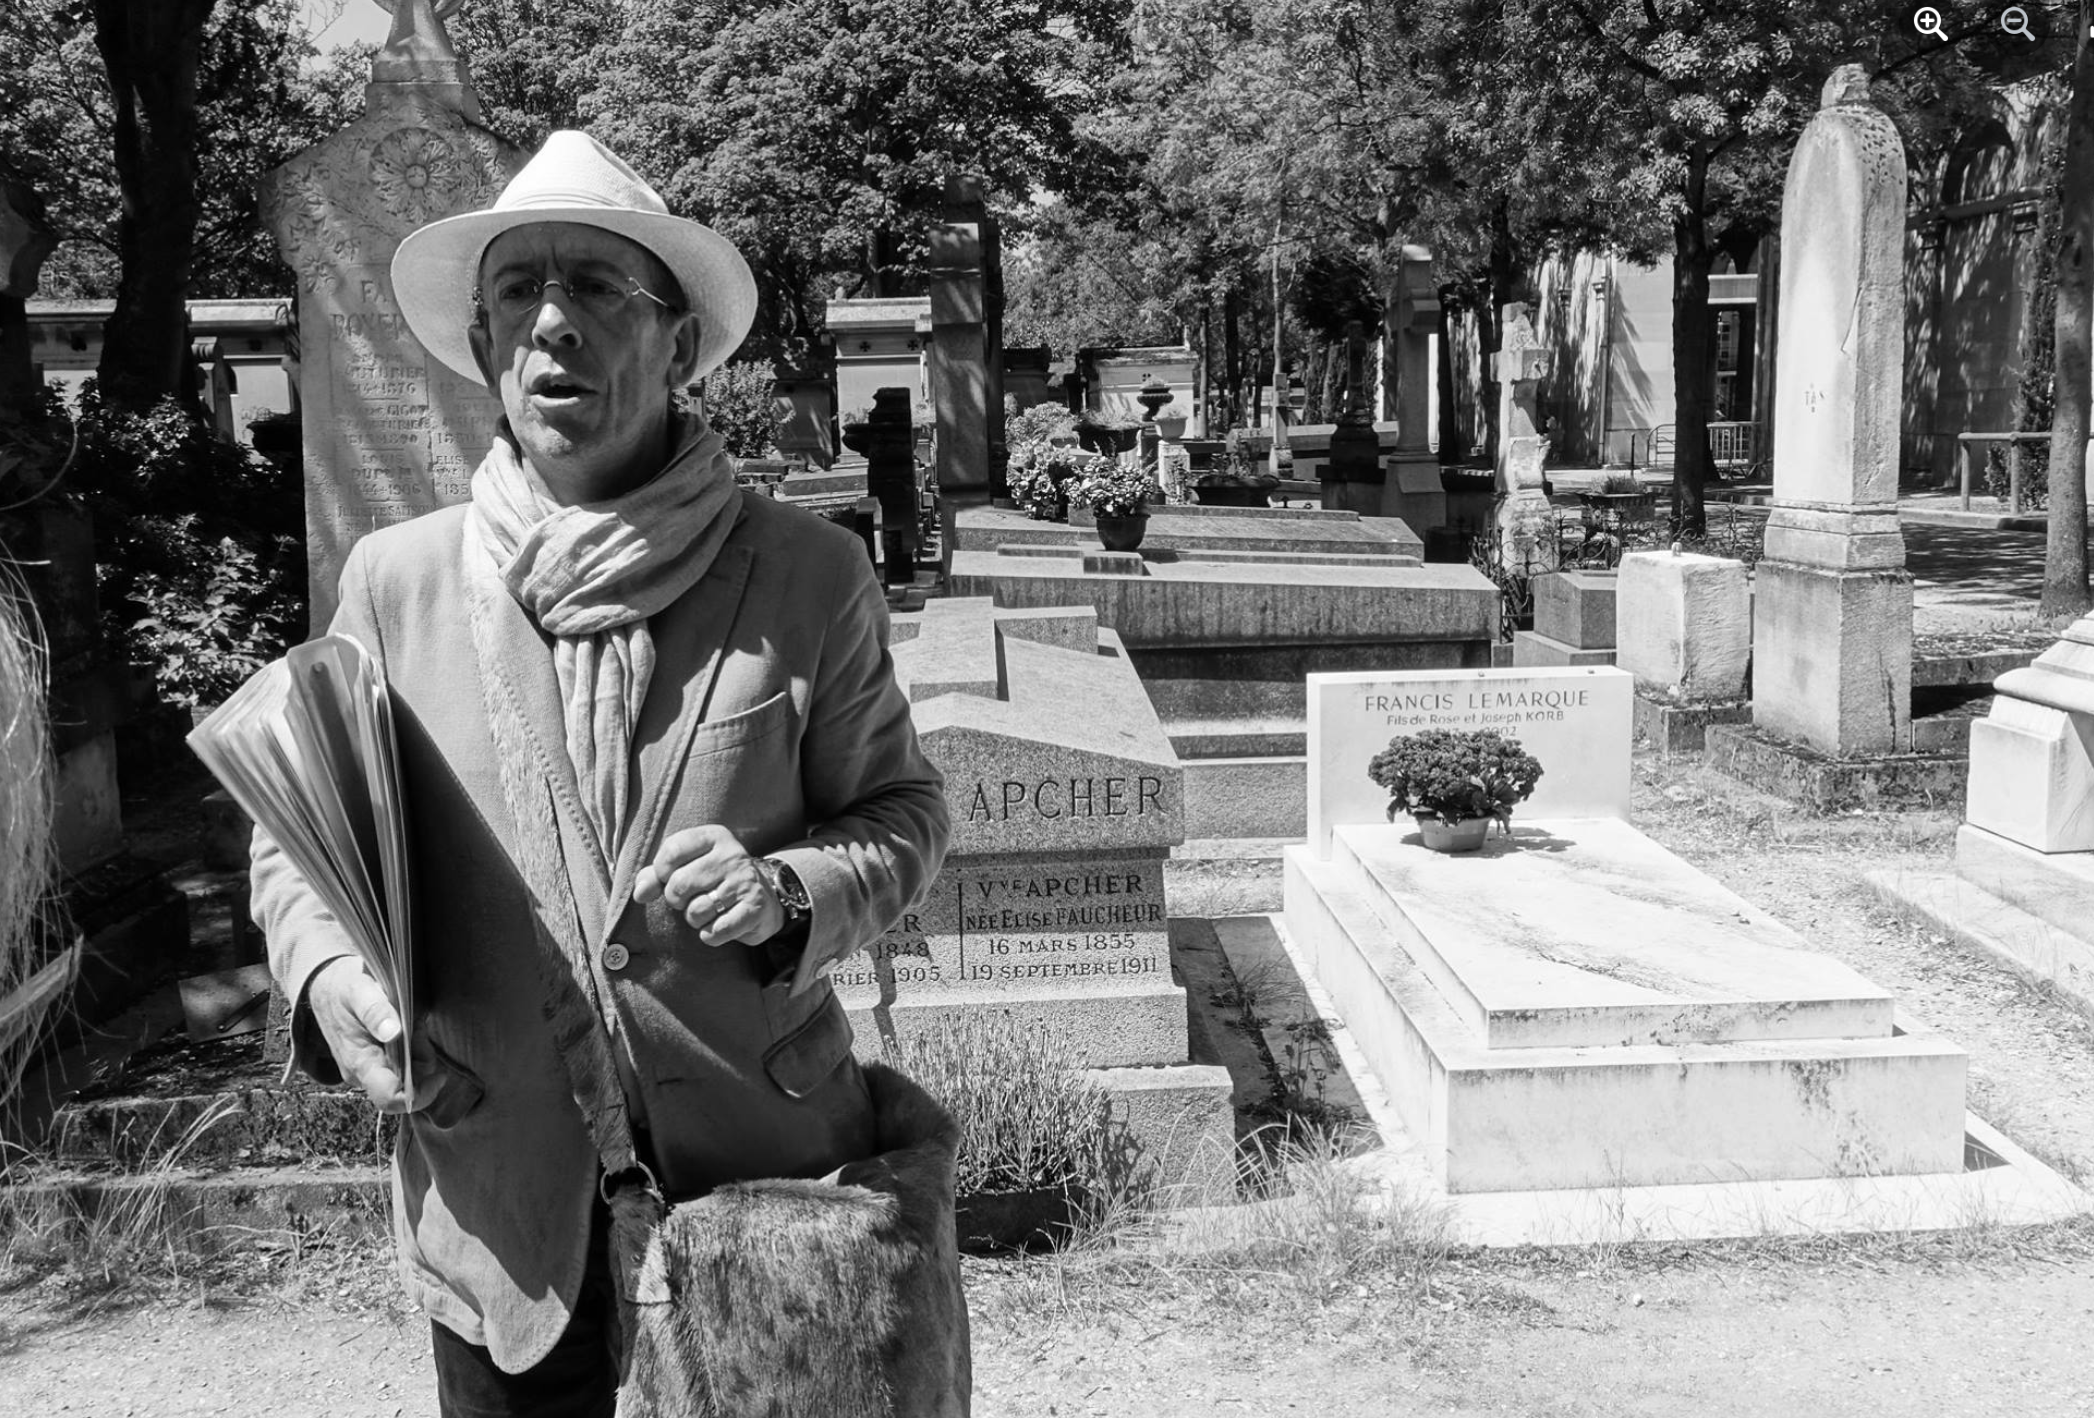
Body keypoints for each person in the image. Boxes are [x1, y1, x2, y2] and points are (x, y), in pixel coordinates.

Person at [250, 131, 950, 1415]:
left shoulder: (804, 576)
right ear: (481, 347)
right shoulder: (396, 585)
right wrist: (329, 977)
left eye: (596, 291)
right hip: (501, 1209)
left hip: (763, 1195)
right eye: (519, 293)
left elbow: (905, 814)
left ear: (681, 346)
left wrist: (792, 885)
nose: (552, 326)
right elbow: (297, 837)